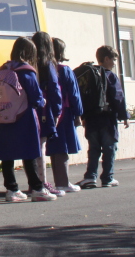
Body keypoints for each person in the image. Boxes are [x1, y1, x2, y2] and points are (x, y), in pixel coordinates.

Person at [0, 36, 56, 202]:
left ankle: (11, 190)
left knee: (8, 156)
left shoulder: (4, 69)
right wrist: (42, 101)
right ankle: (37, 188)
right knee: (29, 153)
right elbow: (35, 97)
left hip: (5, 116)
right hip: (24, 117)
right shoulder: (26, 71)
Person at [77, 45, 130, 189]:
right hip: (107, 119)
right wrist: (124, 116)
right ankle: (107, 178)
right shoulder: (110, 76)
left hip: (90, 119)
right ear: (106, 59)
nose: (114, 63)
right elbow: (118, 97)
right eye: (113, 60)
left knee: (93, 149)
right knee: (109, 148)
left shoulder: (89, 74)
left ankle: (90, 177)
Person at [46, 37, 84, 193]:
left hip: (49, 112)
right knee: (63, 149)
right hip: (64, 113)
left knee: (54, 149)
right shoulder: (65, 70)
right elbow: (74, 94)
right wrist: (79, 113)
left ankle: (58, 181)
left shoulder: (45, 68)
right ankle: (63, 182)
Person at [30, 31, 63, 197]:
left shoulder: (29, 63)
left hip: (30, 109)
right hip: (44, 109)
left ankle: (34, 181)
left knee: (32, 147)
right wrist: (57, 111)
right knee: (42, 146)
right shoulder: (48, 64)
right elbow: (54, 89)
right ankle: (42, 182)